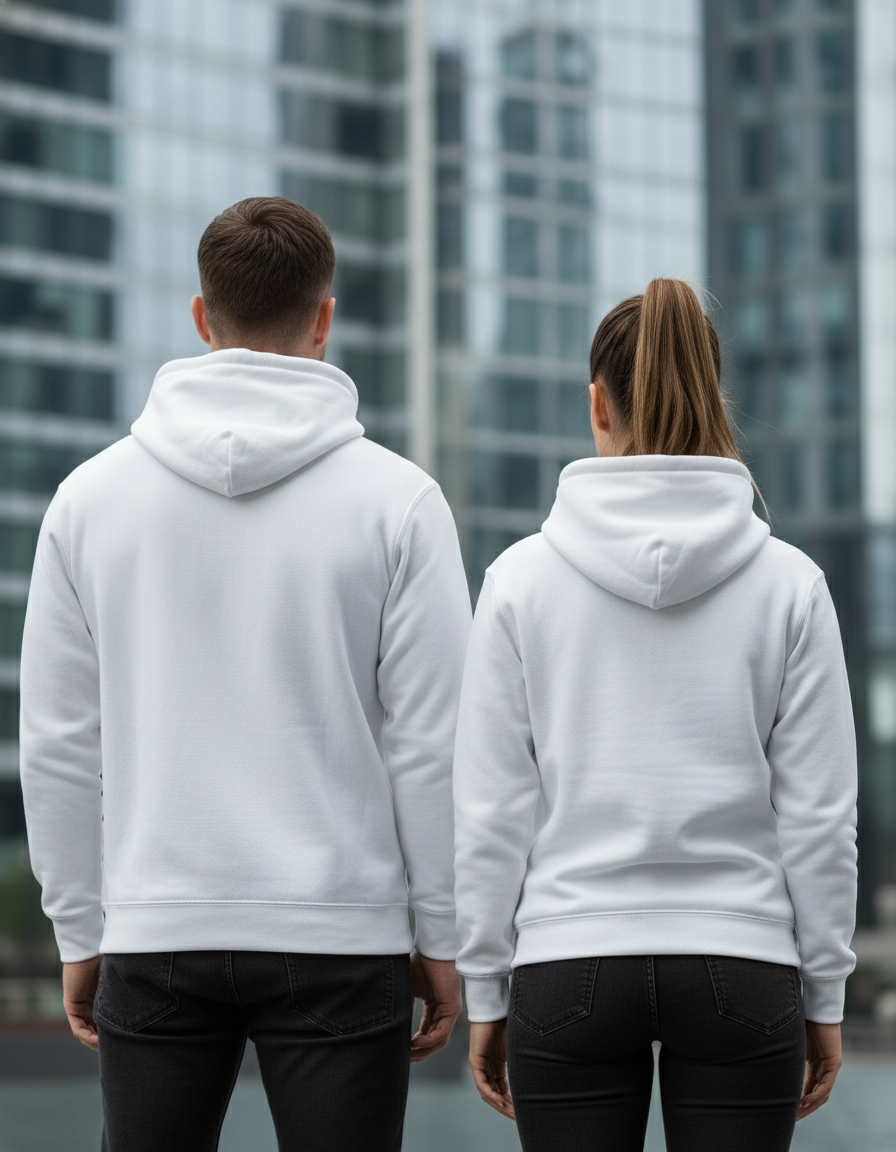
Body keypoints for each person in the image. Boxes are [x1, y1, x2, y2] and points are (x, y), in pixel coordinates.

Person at [19, 196, 471, 1152]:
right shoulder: (401, 502)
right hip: (344, 934)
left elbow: (58, 742)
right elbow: (433, 747)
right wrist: (443, 936)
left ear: (200, 317)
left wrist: (81, 928)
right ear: (324, 318)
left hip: (155, 924)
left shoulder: (89, 500)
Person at [453, 278, 858, 1152]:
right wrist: (823, 993)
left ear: (598, 405)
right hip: (743, 964)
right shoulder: (791, 583)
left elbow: (490, 814)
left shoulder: (519, 580)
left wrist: (486, 988)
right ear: (715, 401)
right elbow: (821, 821)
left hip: (566, 962)